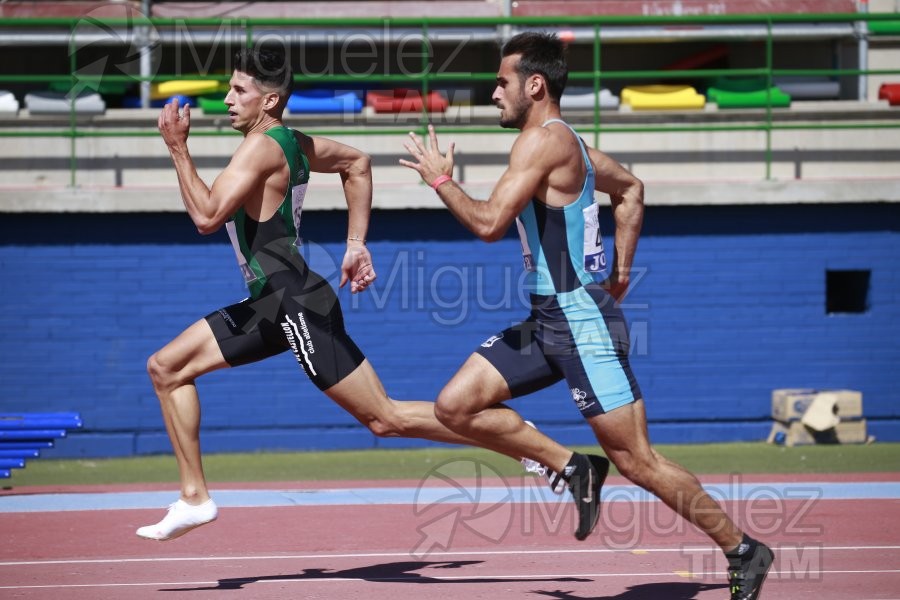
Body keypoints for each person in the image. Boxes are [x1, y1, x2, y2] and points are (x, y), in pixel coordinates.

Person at [140, 46, 602, 542]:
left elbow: (208, 216)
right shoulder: (293, 141)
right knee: (166, 368)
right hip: (271, 303)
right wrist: (356, 244)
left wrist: (178, 149)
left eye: (239, 90)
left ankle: (544, 453)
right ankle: (194, 498)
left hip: (292, 303)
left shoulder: (260, 147)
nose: (227, 99)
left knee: (386, 418)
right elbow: (357, 162)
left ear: (269, 101)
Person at [400, 32, 774, 600]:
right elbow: (632, 190)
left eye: (501, 82)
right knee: (456, 405)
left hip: (580, 321)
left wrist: (440, 181)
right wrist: (621, 274)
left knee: (638, 462)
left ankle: (743, 547)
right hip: (548, 318)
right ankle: (573, 466)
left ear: (535, 84)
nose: (492, 92)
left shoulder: (542, 143)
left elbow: (487, 224)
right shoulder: (567, 143)